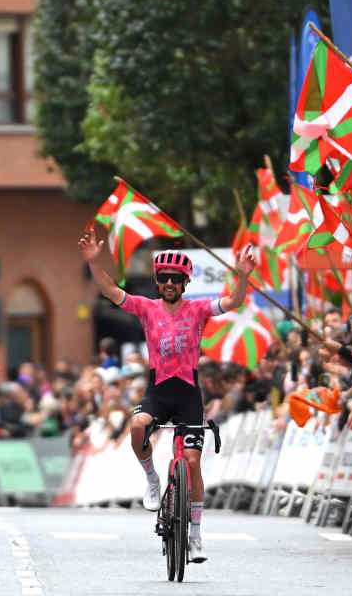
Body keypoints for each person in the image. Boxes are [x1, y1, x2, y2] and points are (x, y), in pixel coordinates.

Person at [79, 229, 256, 564]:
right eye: (164, 278)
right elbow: (109, 290)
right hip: (158, 390)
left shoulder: (199, 309)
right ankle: (152, 479)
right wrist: (93, 262)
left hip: (188, 392)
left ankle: (196, 536)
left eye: (176, 278)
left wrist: (243, 277)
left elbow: (232, 302)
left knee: (191, 462)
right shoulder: (146, 308)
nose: (170, 283)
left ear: (185, 282)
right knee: (136, 427)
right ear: (157, 282)